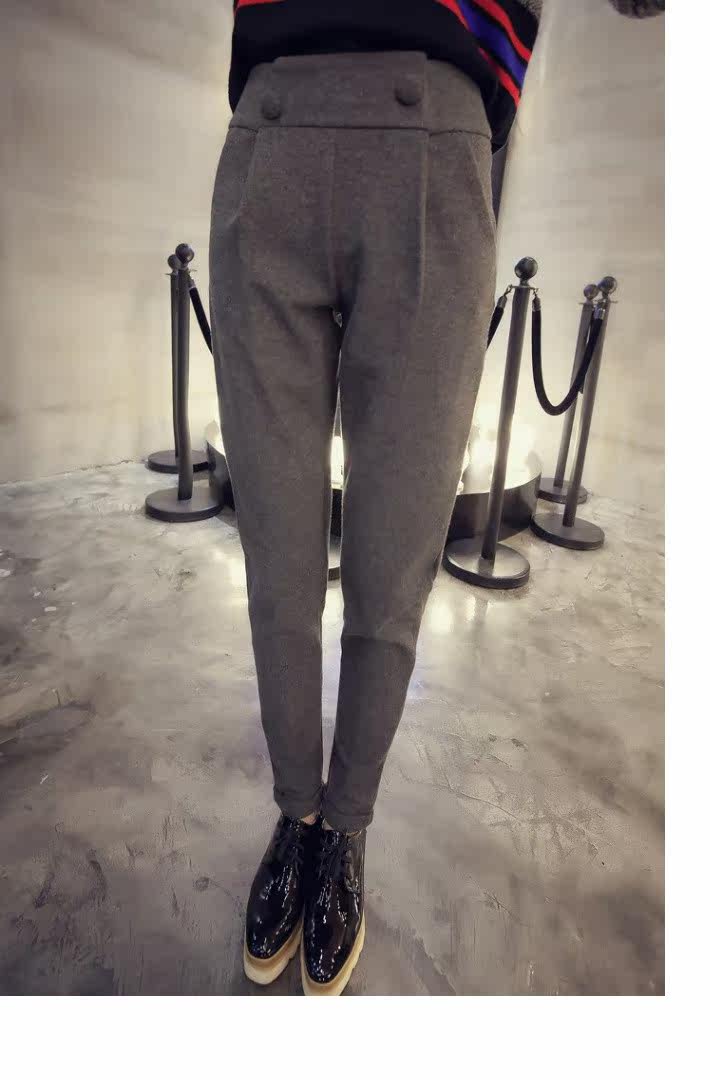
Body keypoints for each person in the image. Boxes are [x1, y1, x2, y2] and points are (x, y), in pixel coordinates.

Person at [209, 0, 541, 996]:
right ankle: (297, 812)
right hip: (269, 129)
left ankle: (345, 827)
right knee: (277, 555)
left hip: (438, 139)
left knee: (393, 559)